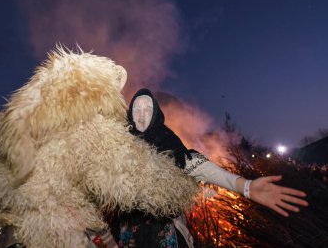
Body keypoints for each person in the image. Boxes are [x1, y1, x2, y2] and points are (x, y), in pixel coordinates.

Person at [108, 88, 308, 248]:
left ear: (156, 114)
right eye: (137, 109)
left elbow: (201, 168)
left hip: (162, 234)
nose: (142, 115)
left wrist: (245, 186)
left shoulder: (167, 141)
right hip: (126, 234)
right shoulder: (119, 143)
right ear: (130, 113)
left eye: (148, 109)